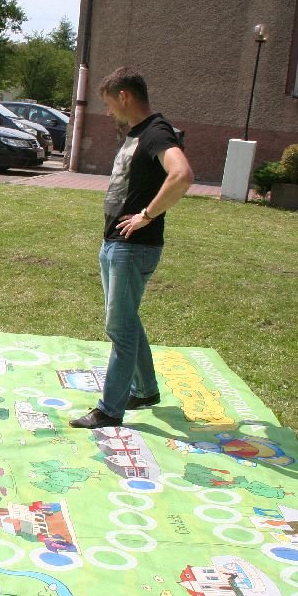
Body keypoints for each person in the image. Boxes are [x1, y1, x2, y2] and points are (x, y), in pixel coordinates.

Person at [69, 67, 194, 429]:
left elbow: (182, 175)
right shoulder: (140, 132)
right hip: (116, 243)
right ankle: (146, 389)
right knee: (127, 320)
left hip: (133, 247)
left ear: (124, 96)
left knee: (120, 329)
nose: (109, 112)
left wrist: (147, 215)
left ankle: (110, 409)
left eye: (109, 104)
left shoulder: (156, 132)